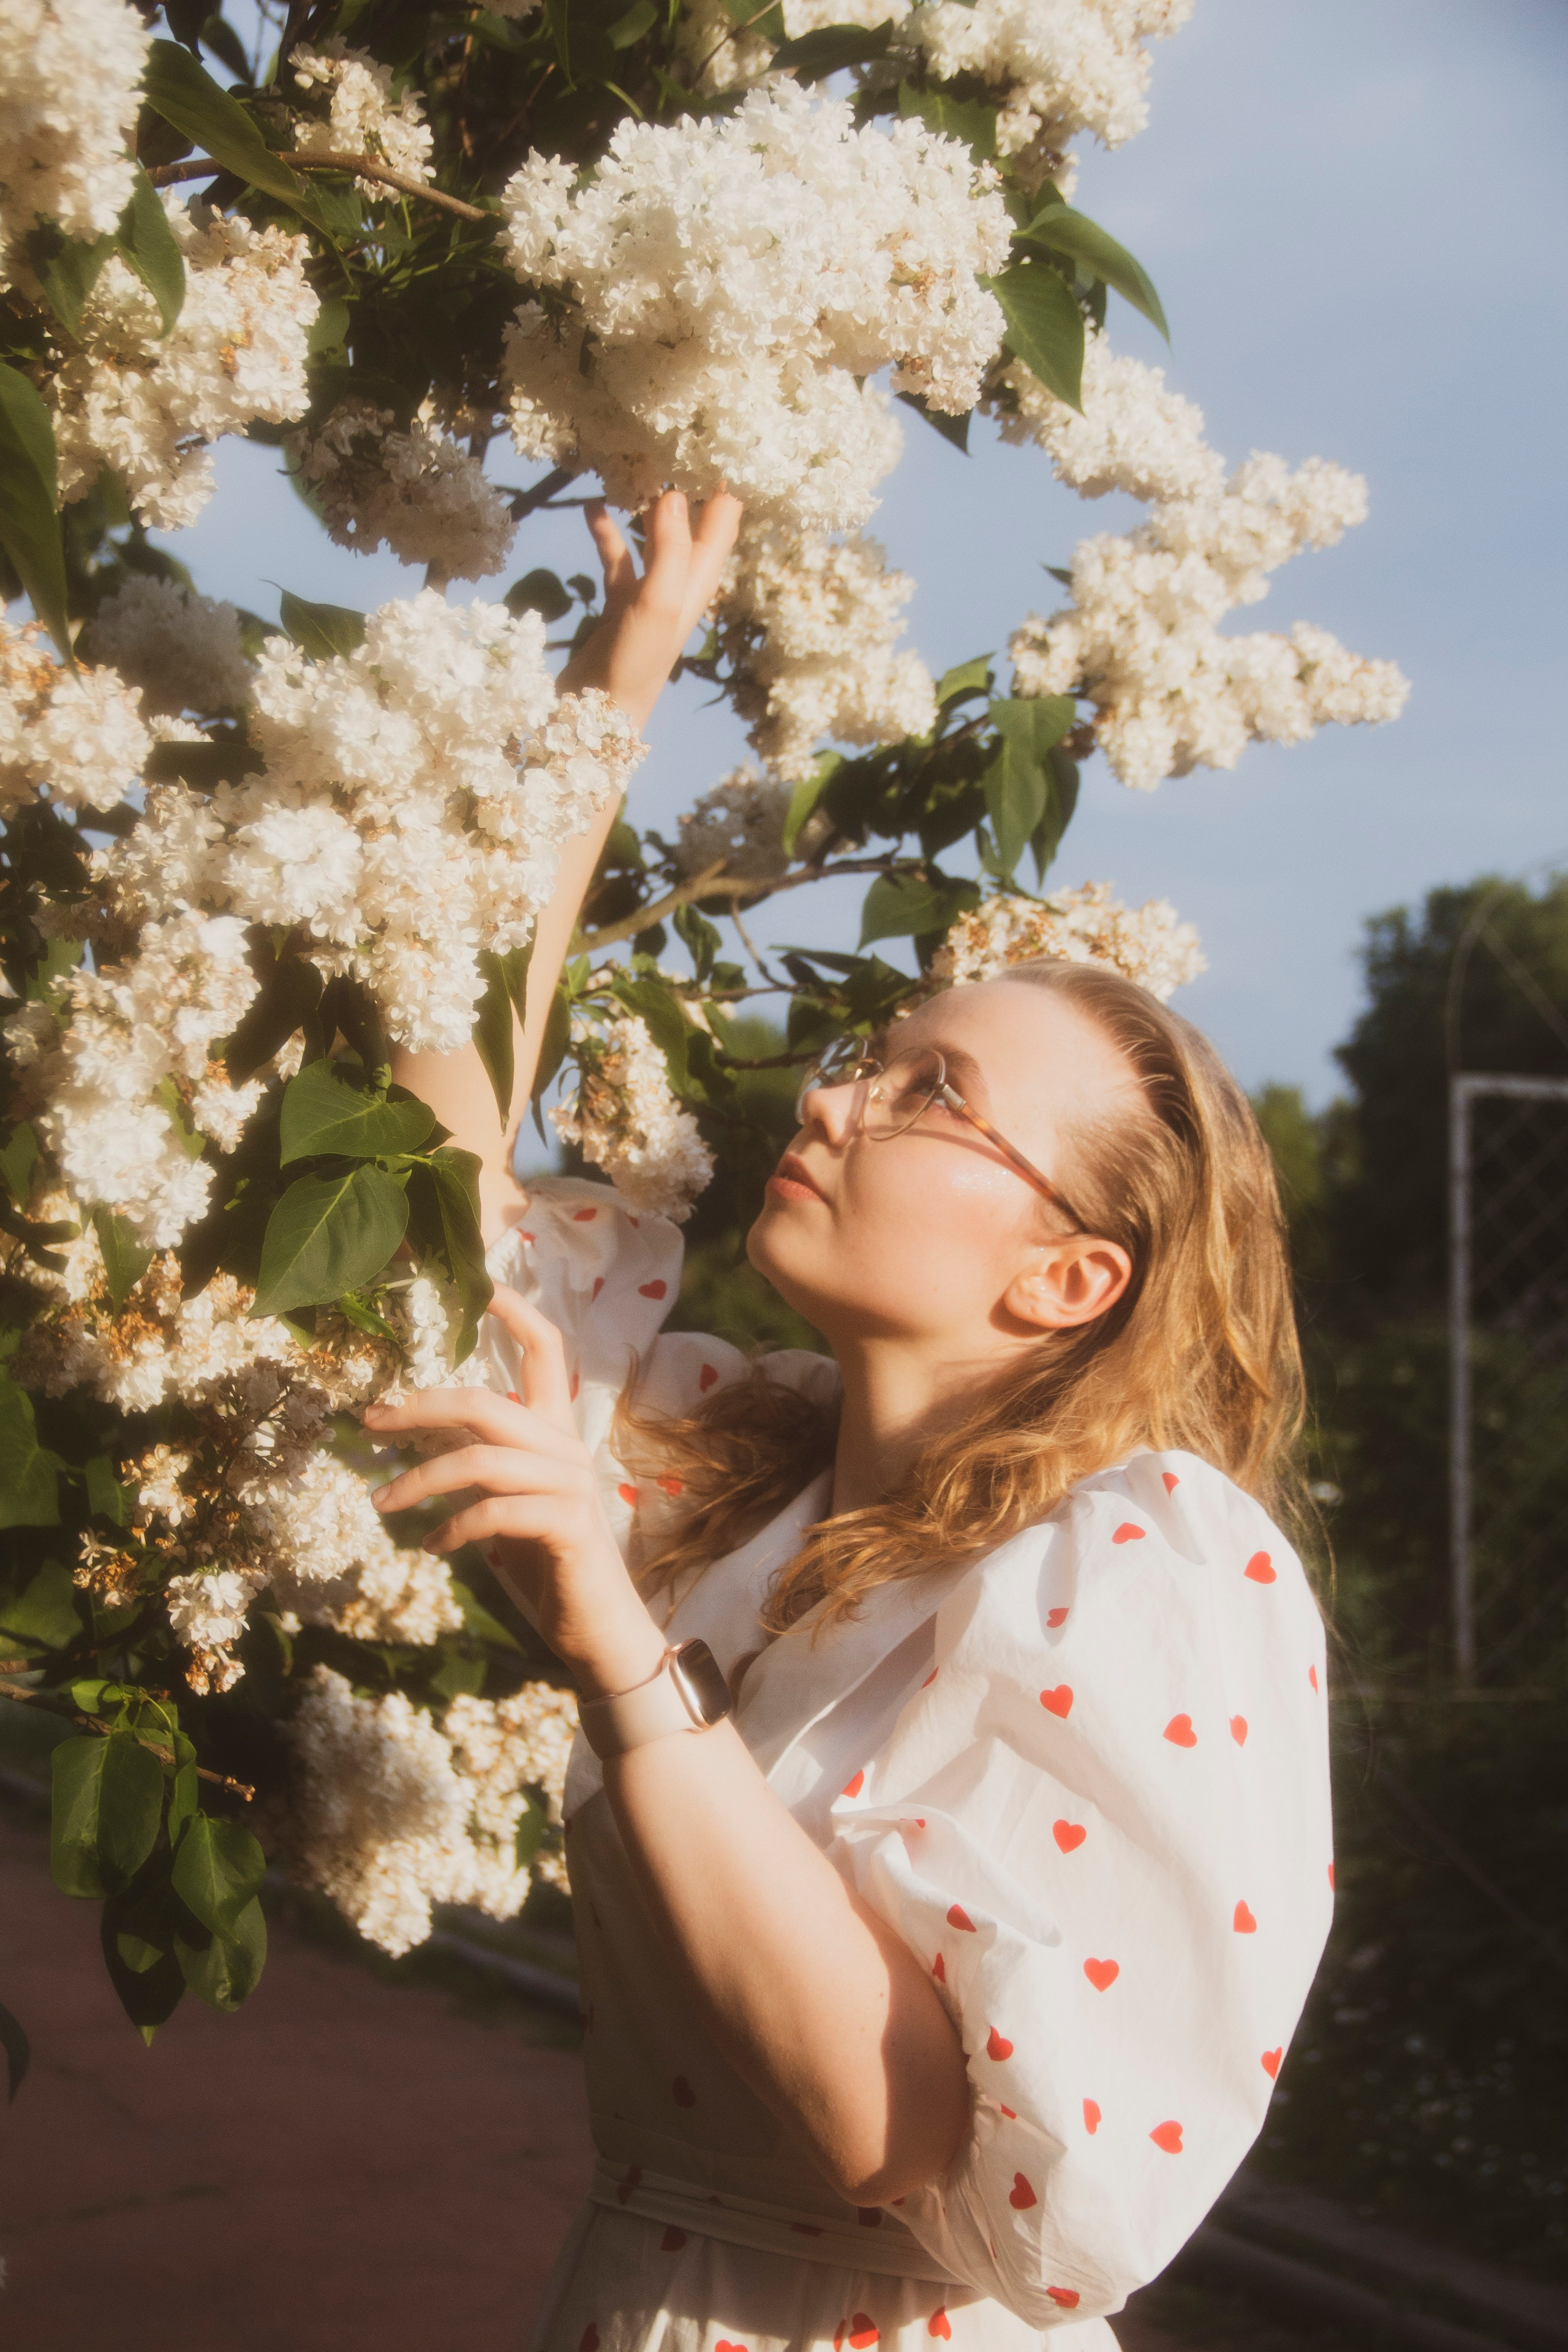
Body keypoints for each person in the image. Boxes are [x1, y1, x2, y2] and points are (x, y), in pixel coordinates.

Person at [363, 491, 1334, 2350]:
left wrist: (624, 1668)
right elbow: (427, 1203)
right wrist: (612, 686)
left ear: (1069, 1278)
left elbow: (891, 2128)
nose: (834, 1102)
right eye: (864, 1058)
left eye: (932, 1096)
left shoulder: (1134, 1568)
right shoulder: (743, 1476)